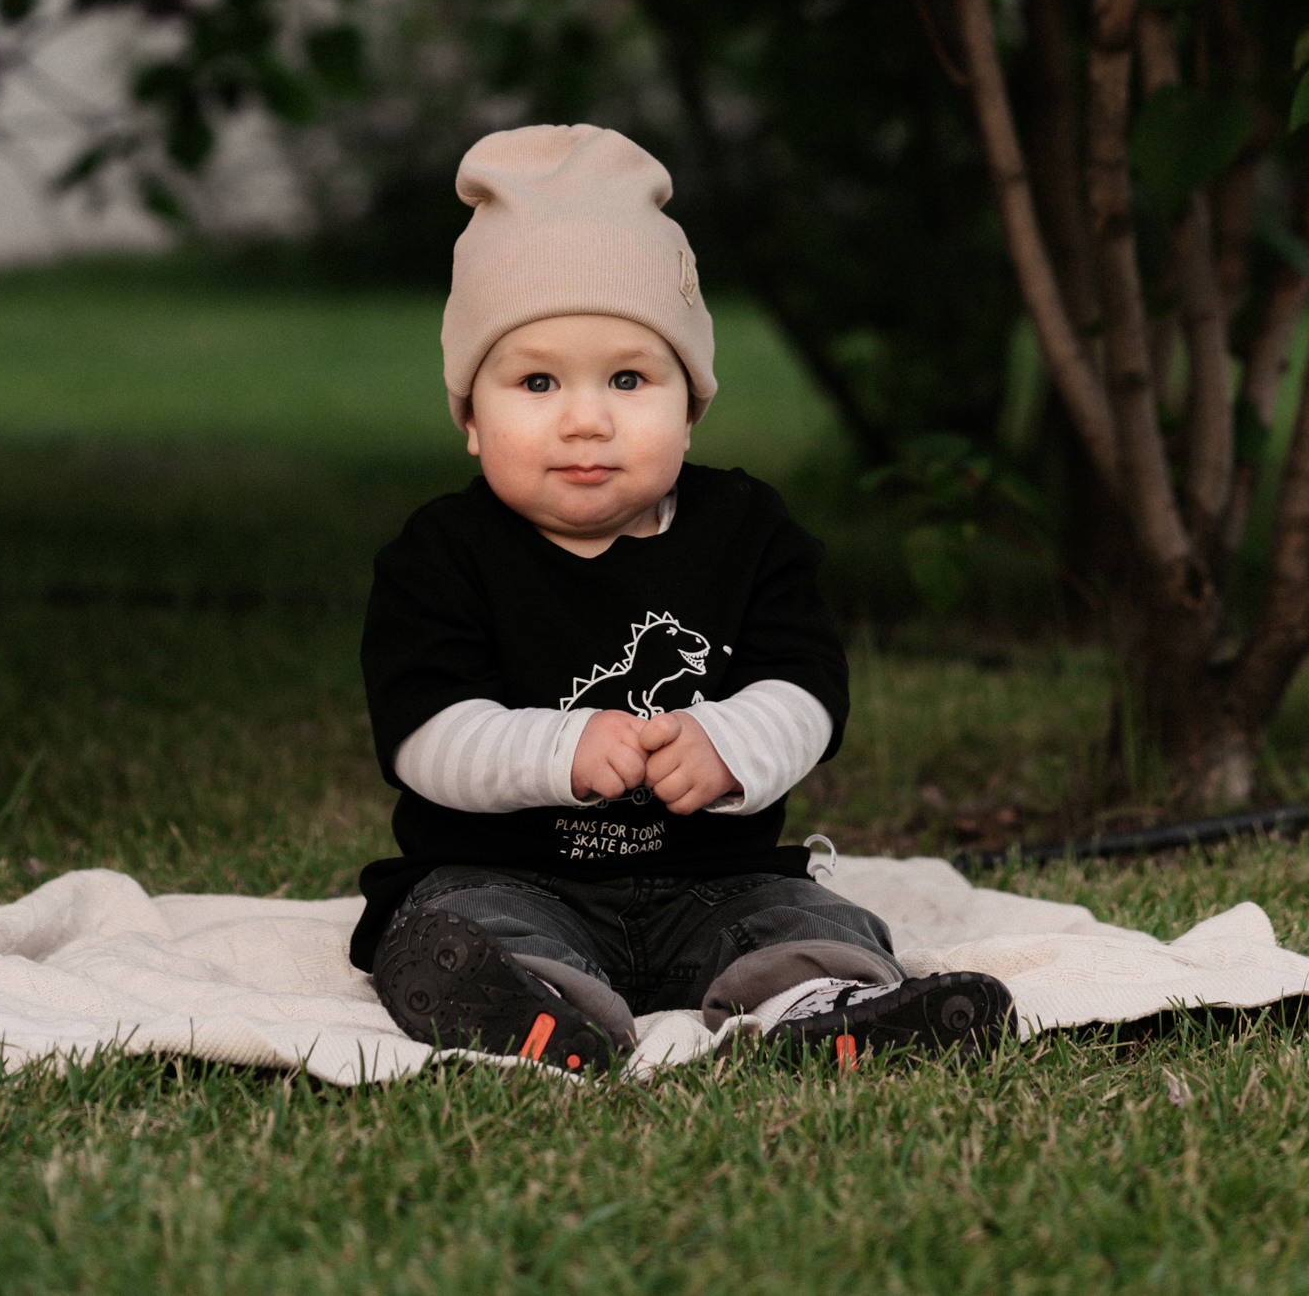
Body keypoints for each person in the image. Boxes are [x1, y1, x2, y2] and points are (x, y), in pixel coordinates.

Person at [352, 120, 1013, 1074]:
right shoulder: (443, 554)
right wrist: (560, 749)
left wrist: (731, 744)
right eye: (535, 381)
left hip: (717, 878)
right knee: (464, 920)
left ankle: (821, 1008)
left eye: (629, 377)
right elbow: (424, 737)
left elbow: (808, 687)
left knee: (804, 918)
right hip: (510, 873)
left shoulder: (745, 533)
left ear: (691, 404)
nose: (585, 419)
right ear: (469, 415)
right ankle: (529, 1003)